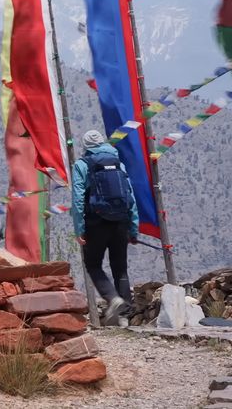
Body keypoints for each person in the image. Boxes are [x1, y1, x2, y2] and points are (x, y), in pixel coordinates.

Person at [71, 129, 139, 324]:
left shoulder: (82, 165)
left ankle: (113, 298)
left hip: (96, 223)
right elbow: (131, 198)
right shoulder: (119, 164)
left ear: (85, 147)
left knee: (93, 264)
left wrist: (79, 229)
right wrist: (133, 228)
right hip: (121, 222)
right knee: (120, 267)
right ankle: (124, 316)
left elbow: (77, 199)